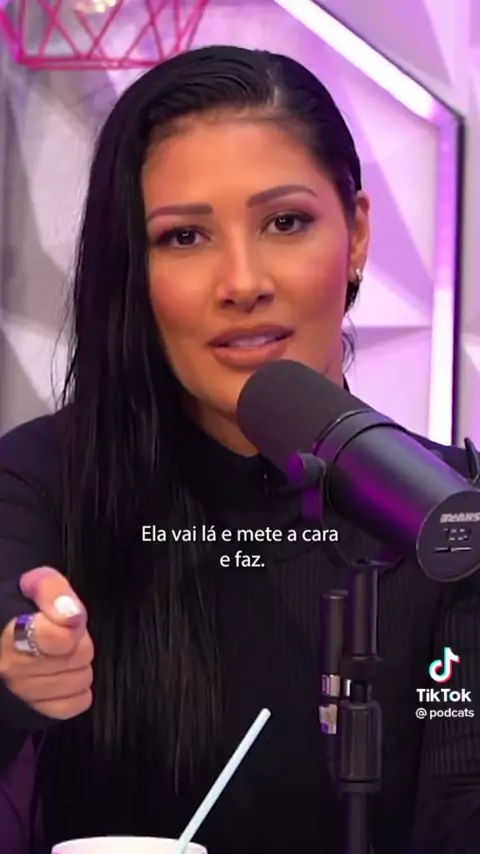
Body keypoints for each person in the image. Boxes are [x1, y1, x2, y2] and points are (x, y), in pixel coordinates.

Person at [0, 43, 478, 854]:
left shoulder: (451, 515)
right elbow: (15, 617)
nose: (243, 281)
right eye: (185, 236)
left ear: (357, 235)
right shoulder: (44, 480)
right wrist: (20, 661)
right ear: (133, 269)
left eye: (285, 223)